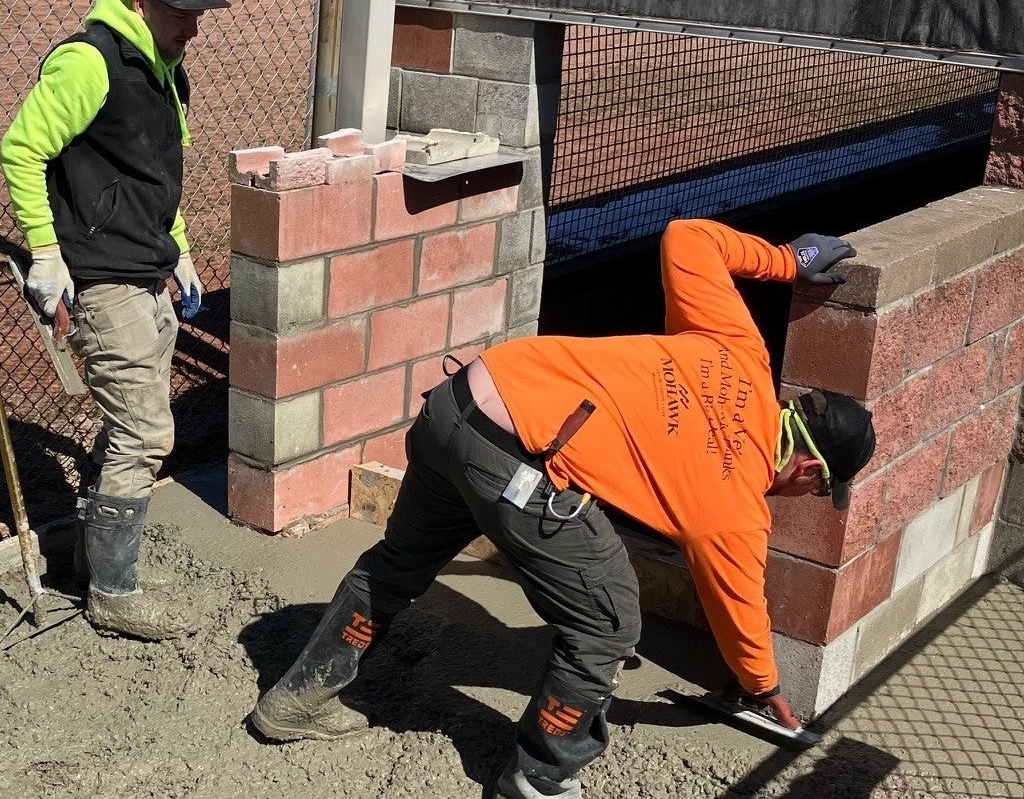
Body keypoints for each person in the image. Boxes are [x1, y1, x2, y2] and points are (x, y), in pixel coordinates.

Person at [249, 219, 877, 799]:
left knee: (399, 562)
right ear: (809, 467)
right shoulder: (736, 504)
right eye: (821, 491)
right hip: (514, 460)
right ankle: (539, 779)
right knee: (608, 625)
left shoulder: (742, 353)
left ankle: (296, 702)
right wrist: (763, 686)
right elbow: (740, 606)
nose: (809, 497)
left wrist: (786, 261)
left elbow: (688, 239)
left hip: (460, 402)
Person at [0, 0, 229, 641]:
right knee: (146, 431)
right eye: (180, 12)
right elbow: (22, 147)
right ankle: (114, 591)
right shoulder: (91, 62)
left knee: (134, 424)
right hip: (100, 277)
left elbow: (158, 172)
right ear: (138, 4)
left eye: (199, 11)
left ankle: (94, 561)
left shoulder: (162, 68)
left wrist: (179, 248)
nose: (193, 25)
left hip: (145, 268)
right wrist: (44, 251)